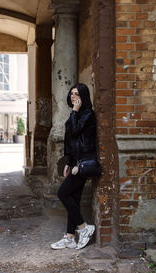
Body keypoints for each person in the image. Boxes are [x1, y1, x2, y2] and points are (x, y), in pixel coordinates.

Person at [51, 83, 97, 250]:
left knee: (63, 193)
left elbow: (77, 132)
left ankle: (84, 228)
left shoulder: (88, 115)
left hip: (84, 164)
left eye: (76, 94)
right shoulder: (76, 114)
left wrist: (75, 112)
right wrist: (69, 163)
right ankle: (70, 237)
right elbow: (71, 141)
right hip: (76, 163)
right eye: (71, 93)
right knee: (74, 200)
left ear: (83, 96)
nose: (73, 96)